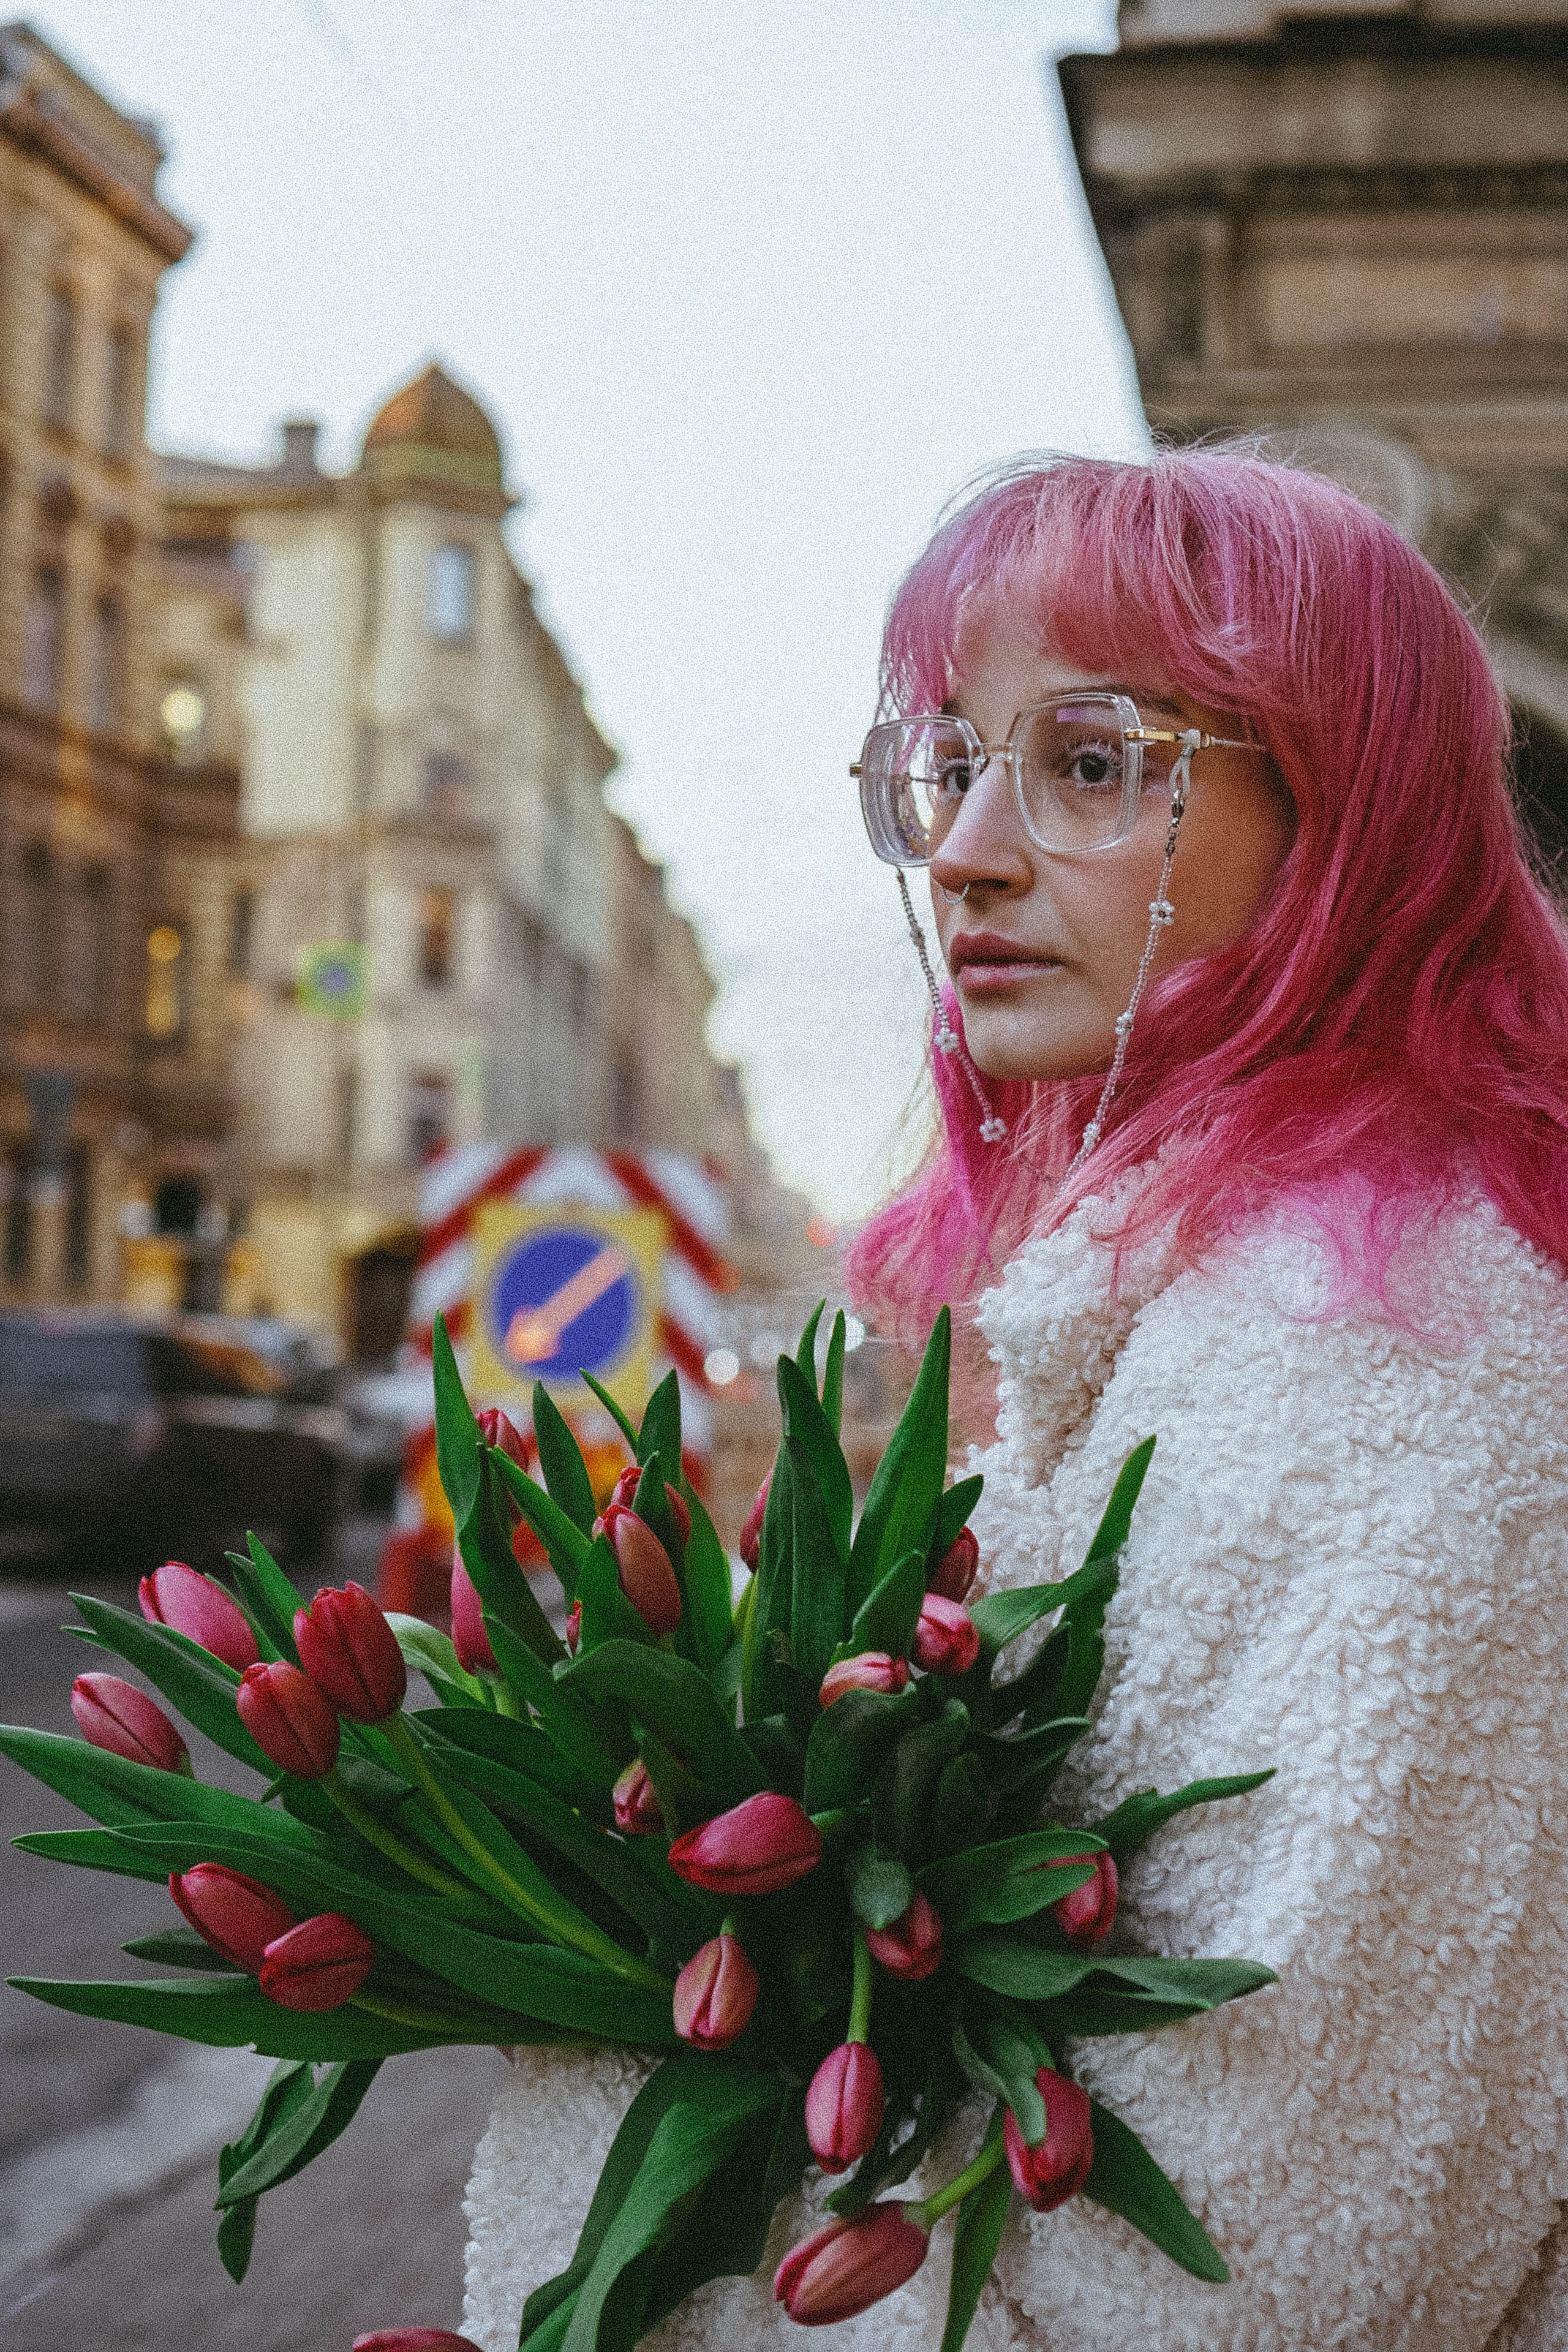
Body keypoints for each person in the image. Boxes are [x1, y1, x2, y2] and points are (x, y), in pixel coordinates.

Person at [461, 450, 1568, 2352]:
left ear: (1344, 820)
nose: (967, 848)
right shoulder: (1228, 1312)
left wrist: (616, 2194)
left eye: (1087, 760)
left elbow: (1229, 2277)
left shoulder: (1377, 1358)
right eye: (949, 763)